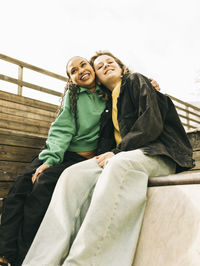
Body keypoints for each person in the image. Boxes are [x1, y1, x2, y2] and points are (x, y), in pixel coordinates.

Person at [22, 51, 194, 266]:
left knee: (119, 164)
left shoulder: (135, 81)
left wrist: (118, 151)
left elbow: (151, 123)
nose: (105, 66)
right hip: (125, 153)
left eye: (110, 62)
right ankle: (41, 260)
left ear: (121, 68)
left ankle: (87, 261)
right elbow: (104, 143)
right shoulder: (107, 105)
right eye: (100, 66)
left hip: (160, 152)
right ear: (98, 78)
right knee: (72, 175)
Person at [0, 55, 160, 266]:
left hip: (81, 159)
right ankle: (5, 254)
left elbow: (128, 87)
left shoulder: (110, 93)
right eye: (73, 71)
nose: (80, 70)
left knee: (41, 189)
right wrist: (50, 159)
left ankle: (24, 255)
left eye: (83, 65)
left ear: (93, 69)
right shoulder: (73, 97)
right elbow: (62, 129)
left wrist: (152, 85)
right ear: (71, 80)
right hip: (59, 152)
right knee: (20, 188)